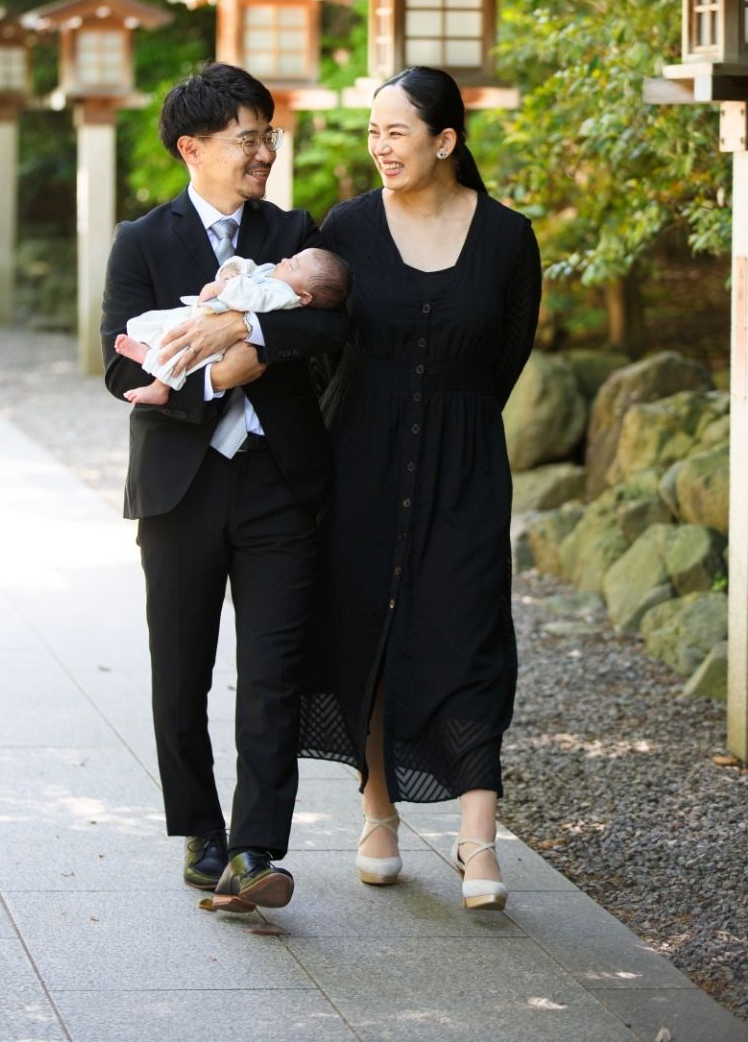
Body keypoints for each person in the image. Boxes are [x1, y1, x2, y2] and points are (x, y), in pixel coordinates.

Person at [100, 61, 349, 913]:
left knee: (274, 669)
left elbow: (327, 320)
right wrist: (217, 376)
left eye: (269, 136)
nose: (265, 153)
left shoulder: (294, 229)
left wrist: (243, 325)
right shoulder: (141, 241)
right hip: (179, 488)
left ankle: (256, 848)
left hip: (280, 481)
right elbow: (114, 364)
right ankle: (200, 830)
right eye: (248, 138)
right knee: (182, 669)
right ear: (192, 147)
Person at [298, 65, 542, 912]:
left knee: (472, 631)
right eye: (374, 131)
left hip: (467, 460)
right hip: (361, 452)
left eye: (396, 131)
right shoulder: (349, 230)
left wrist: (452, 418)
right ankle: (378, 814)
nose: (380, 146)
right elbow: (329, 350)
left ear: (446, 141)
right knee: (368, 622)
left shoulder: (509, 239)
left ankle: (480, 843)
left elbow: (506, 353)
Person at [113, 247, 352, 405]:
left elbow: (253, 297)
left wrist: (225, 293)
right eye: (294, 257)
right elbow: (250, 269)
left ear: (304, 297)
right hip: (203, 315)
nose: (287, 260)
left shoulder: (284, 294)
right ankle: (151, 354)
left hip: (222, 346)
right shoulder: (275, 274)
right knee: (168, 328)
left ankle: (159, 383)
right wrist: (232, 270)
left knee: (184, 351)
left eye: (295, 265)